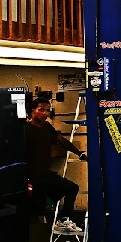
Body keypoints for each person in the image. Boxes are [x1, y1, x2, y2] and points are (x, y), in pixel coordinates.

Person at [26, 97, 87, 233]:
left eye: (47, 111)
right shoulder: (25, 129)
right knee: (35, 212)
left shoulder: (47, 127)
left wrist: (79, 153)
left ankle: (64, 220)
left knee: (72, 188)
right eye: (41, 110)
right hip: (32, 176)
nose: (45, 114)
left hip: (44, 174)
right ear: (32, 111)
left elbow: (61, 141)